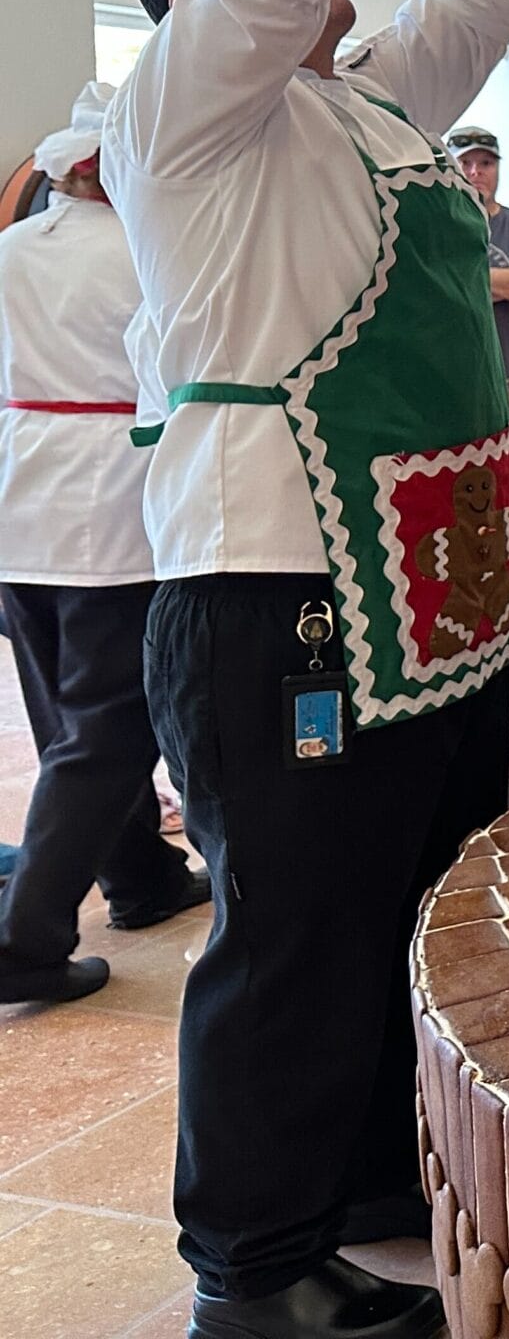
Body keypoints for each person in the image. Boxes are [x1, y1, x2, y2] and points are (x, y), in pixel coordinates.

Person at [103, 0, 509, 1339]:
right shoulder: (188, 114)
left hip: (426, 582)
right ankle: (255, 1267)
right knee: (295, 931)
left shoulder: (361, 108)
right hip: (277, 586)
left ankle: (361, 1183)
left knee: (406, 901)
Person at [0, 84, 206, 1006]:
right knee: (109, 727)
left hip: (19, 493)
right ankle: (26, 938)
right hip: (106, 503)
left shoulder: (12, 250)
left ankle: (140, 877)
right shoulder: (145, 249)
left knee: (64, 720)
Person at [449, 124, 509, 373]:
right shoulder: (437, 231)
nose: (475, 171)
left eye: (486, 163)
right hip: (456, 372)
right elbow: (437, 293)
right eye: (465, 163)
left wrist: (461, 279)